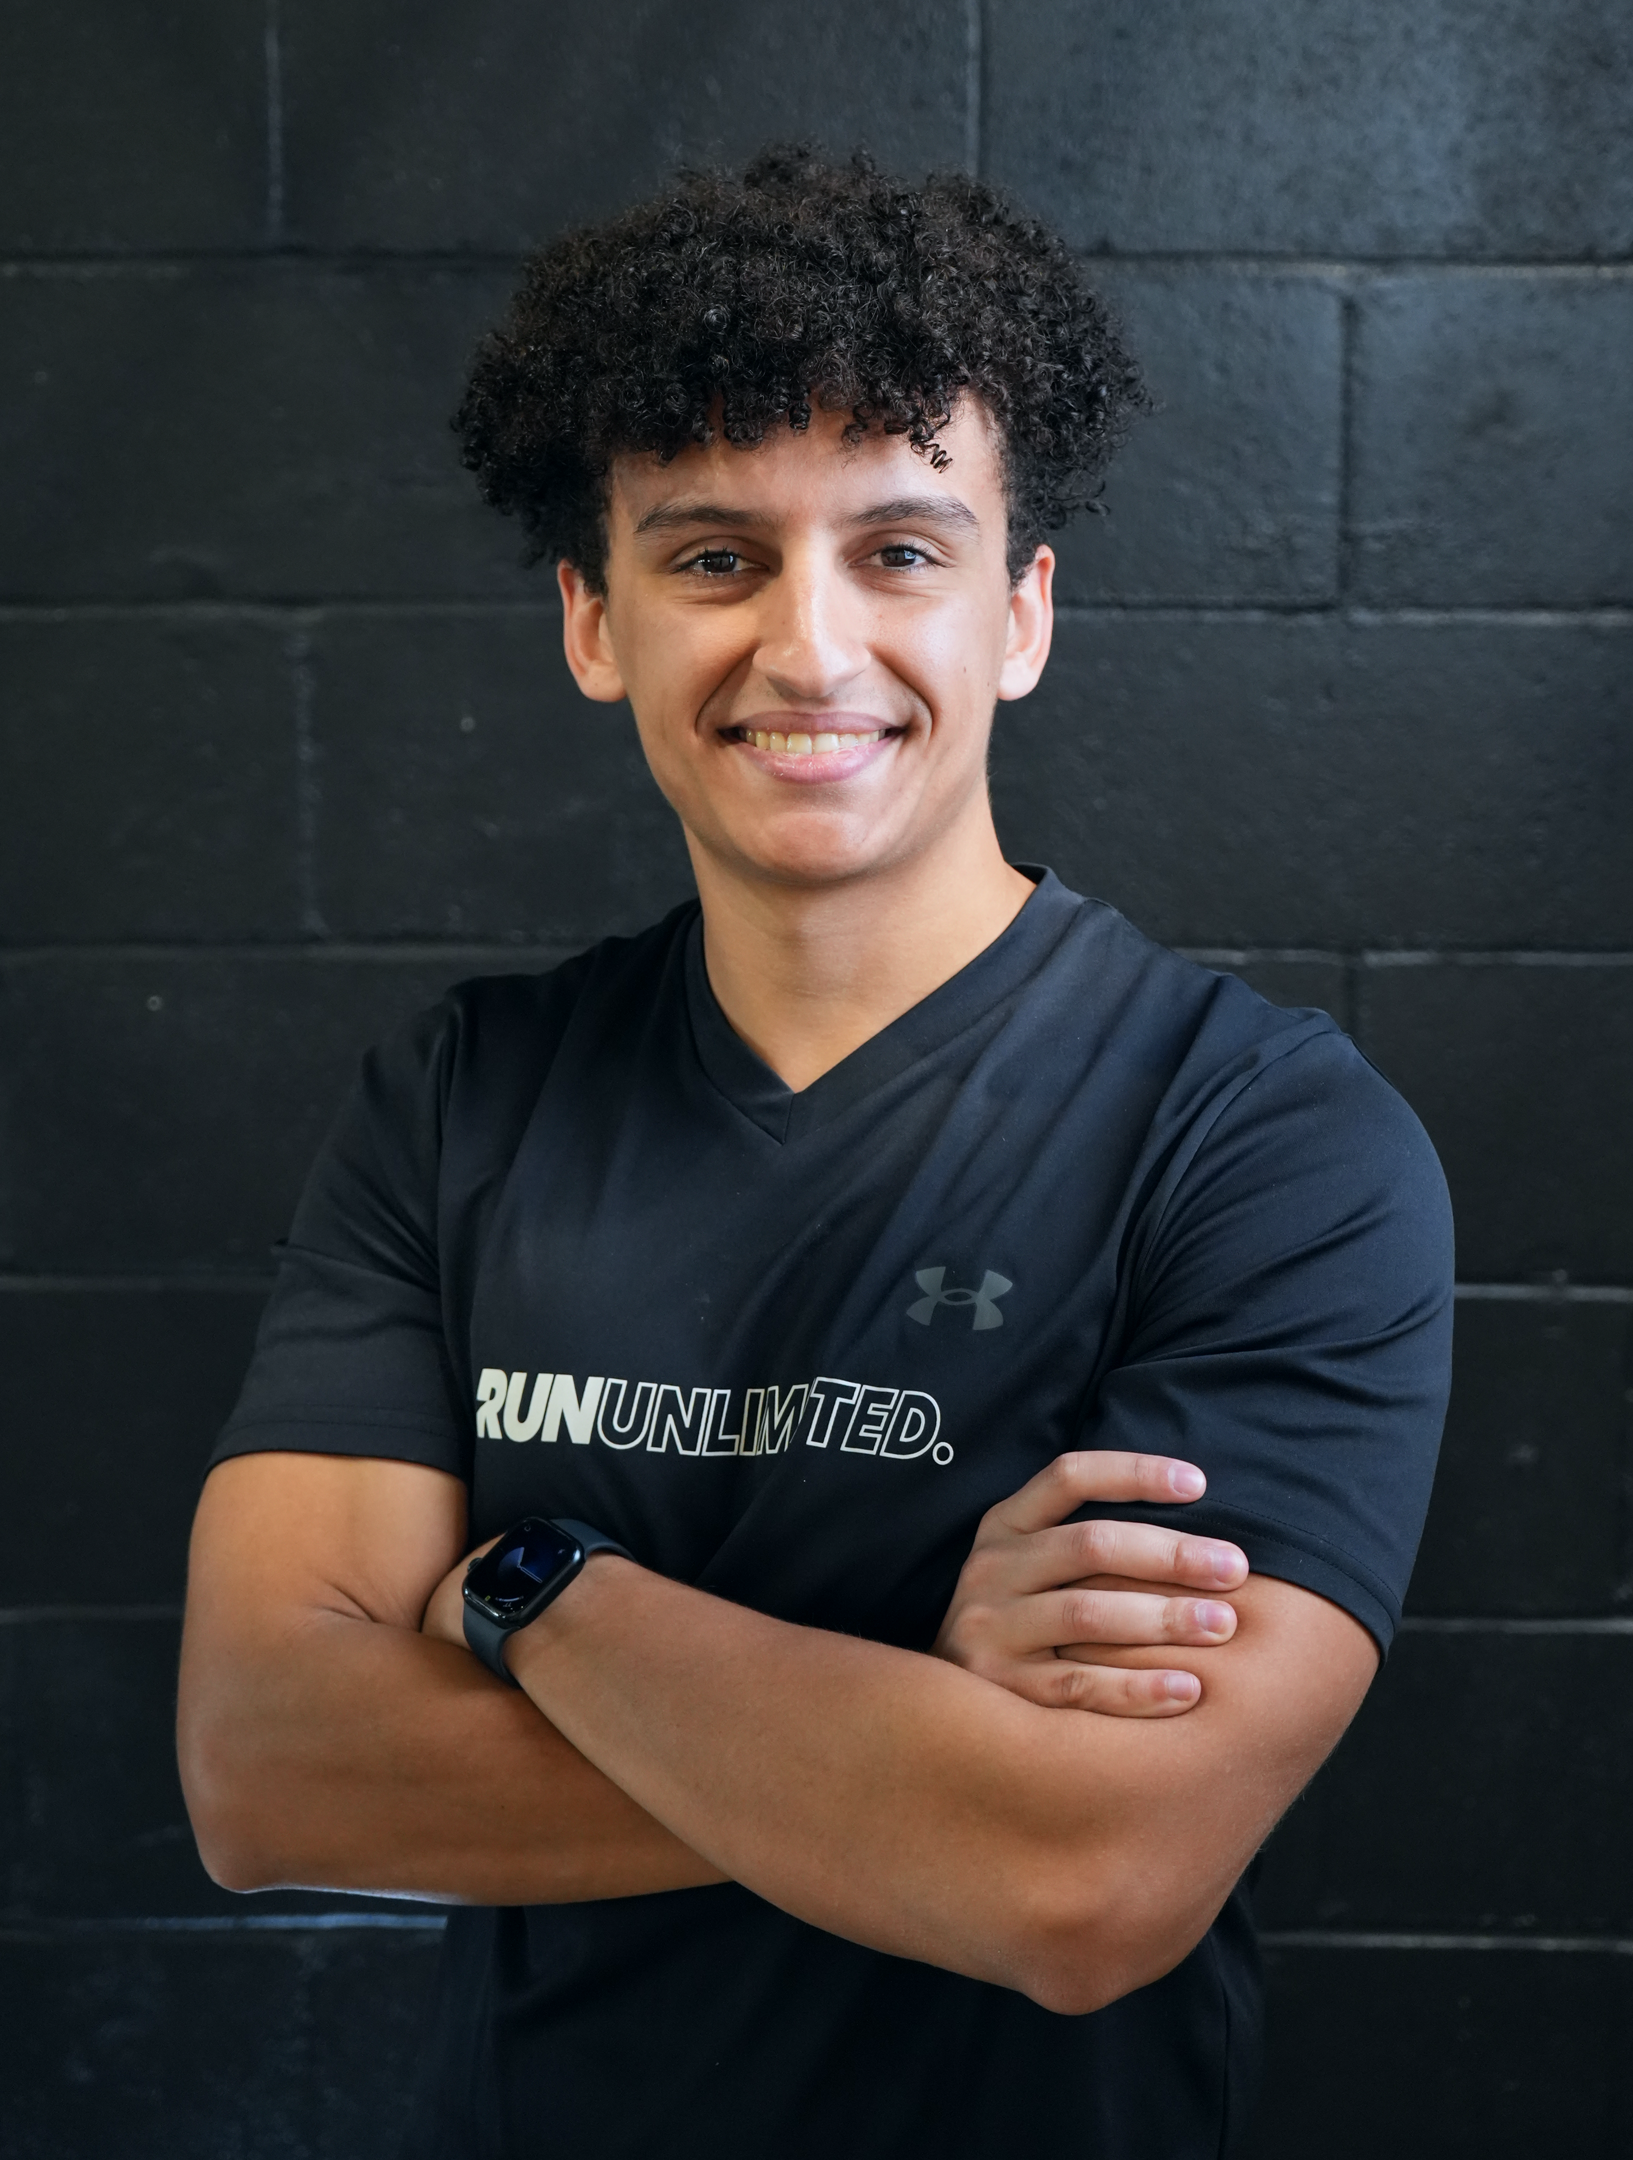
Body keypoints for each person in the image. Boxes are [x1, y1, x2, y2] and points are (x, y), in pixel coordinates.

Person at [177, 148, 1453, 2159]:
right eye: (713, 558)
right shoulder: (467, 1094)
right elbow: (266, 1773)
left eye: (899, 550)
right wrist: (921, 1717)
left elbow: (1085, 1882)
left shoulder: (1264, 1141)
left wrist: (526, 1589)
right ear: (592, 619)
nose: (810, 646)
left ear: (1021, 612)